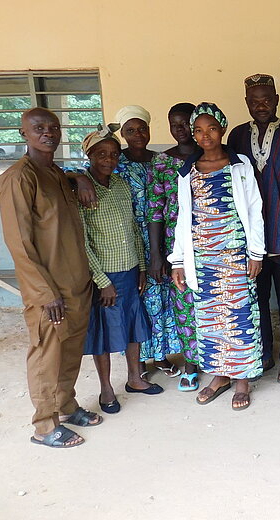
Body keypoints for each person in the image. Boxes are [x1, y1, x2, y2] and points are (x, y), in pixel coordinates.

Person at [0, 108, 100, 448]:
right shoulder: (18, 178)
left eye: (53, 127)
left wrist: (78, 176)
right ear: (23, 134)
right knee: (46, 354)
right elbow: (19, 243)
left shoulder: (55, 172)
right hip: (48, 289)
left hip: (76, 282)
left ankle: (66, 406)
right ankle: (44, 424)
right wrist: (44, 292)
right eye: (39, 128)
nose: (48, 133)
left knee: (70, 351)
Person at [170, 103, 266, 410]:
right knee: (211, 319)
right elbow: (183, 216)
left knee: (240, 316)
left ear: (222, 129)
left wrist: (256, 253)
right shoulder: (187, 171)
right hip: (202, 258)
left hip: (235, 254)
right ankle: (220, 376)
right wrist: (178, 261)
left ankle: (242, 380)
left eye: (211, 128)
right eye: (199, 130)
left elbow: (254, 209)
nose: (205, 135)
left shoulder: (240, 164)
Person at [227, 74, 280, 384]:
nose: (260, 105)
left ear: (277, 99)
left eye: (266, 99)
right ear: (246, 103)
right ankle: (263, 352)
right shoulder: (236, 136)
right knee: (256, 299)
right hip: (250, 239)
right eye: (254, 101)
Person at [78, 129, 162, 414]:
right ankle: (106, 389)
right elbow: (82, 241)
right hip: (103, 276)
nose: (109, 160)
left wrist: (141, 268)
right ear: (89, 155)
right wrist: (102, 281)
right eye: (101, 154)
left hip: (129, 270)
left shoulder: (120, 184)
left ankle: (135, 378)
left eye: (114, 154)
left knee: (132, 326)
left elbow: (134, 230)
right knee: (102, 333)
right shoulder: (81, 189)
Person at [115, 105, 181, 377]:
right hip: (129, 241)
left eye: (142, 128)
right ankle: (139, 360)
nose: (138, 134)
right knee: (138, 299)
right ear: (122, 134)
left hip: (161, 238)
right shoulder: (115, 163)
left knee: (163, 298)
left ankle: (161, 355)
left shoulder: (162, 160)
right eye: (130, 130)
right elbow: (83, 174)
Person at [148, 103, 200, 391]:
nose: (180, 129)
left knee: (215, 302)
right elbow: (155, 211)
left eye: (185, 123)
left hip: (212, 242)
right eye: (174, 124)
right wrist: (157, 255)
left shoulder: (211, 155)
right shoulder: (162, 162)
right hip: (176, 247)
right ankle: (191, 366)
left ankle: (220, 362)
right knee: (184, 306)